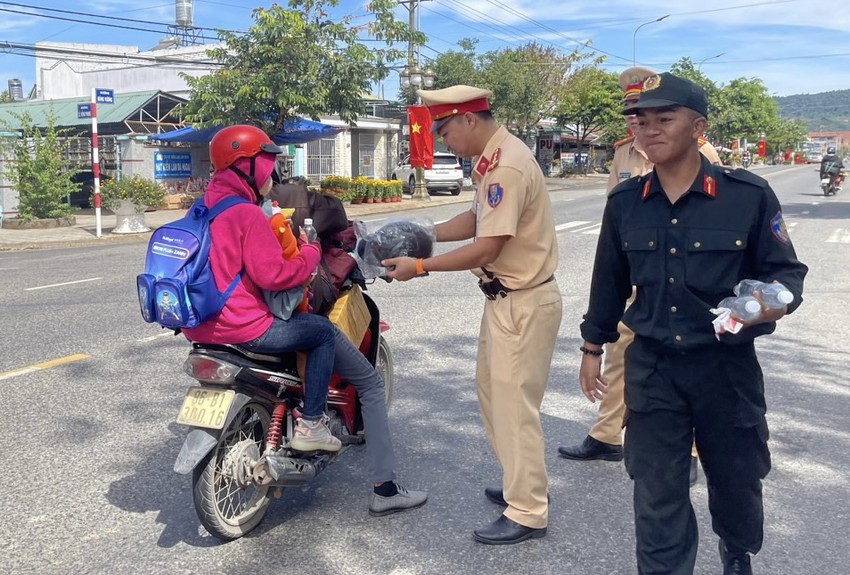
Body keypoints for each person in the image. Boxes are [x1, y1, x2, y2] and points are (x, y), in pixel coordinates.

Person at [577, 73, 807, 574]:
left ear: (698, 126)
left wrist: (774, 302)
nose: (648, 129)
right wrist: (592, 347)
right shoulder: (625, 203)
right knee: (657, 488)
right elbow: (608, 281)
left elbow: (786, 271)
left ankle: (736, 548)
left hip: (726, 368)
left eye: (665, 118)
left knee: (737, 477)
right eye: (640, 120)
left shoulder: (747, 195)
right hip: (654, 368)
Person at [183, 125, 428, 516]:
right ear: (246, 165)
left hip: (203, 329)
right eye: (268, 163)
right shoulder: (246, 213)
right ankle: (361, 468)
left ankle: (291, 419)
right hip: (245, 327)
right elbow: (278, 276)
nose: (272, 173)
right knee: (329, 341)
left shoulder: (202, 206)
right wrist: (312, 252)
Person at [382, 85, 562, 545]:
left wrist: (420, 265)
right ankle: (519, 483)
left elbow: (488, 245)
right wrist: (422, 232)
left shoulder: (507, 165)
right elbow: (479, 218)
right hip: (504, 299)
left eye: (444, 131)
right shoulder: (493, 161)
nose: (444, 142)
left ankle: (528, 510)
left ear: (468, 119)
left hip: (522, 301)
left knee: (514, 408)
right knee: (492, 398)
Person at [559, 66, 722, 487]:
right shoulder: (624, 154)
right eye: (633, 112)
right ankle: (607, 433)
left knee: (679, 358)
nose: (637, 121)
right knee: (620, 356)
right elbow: (618, 219)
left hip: (686, 287)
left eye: (647, 113)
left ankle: (686, 449)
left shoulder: (704, 155)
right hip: (637, 278)